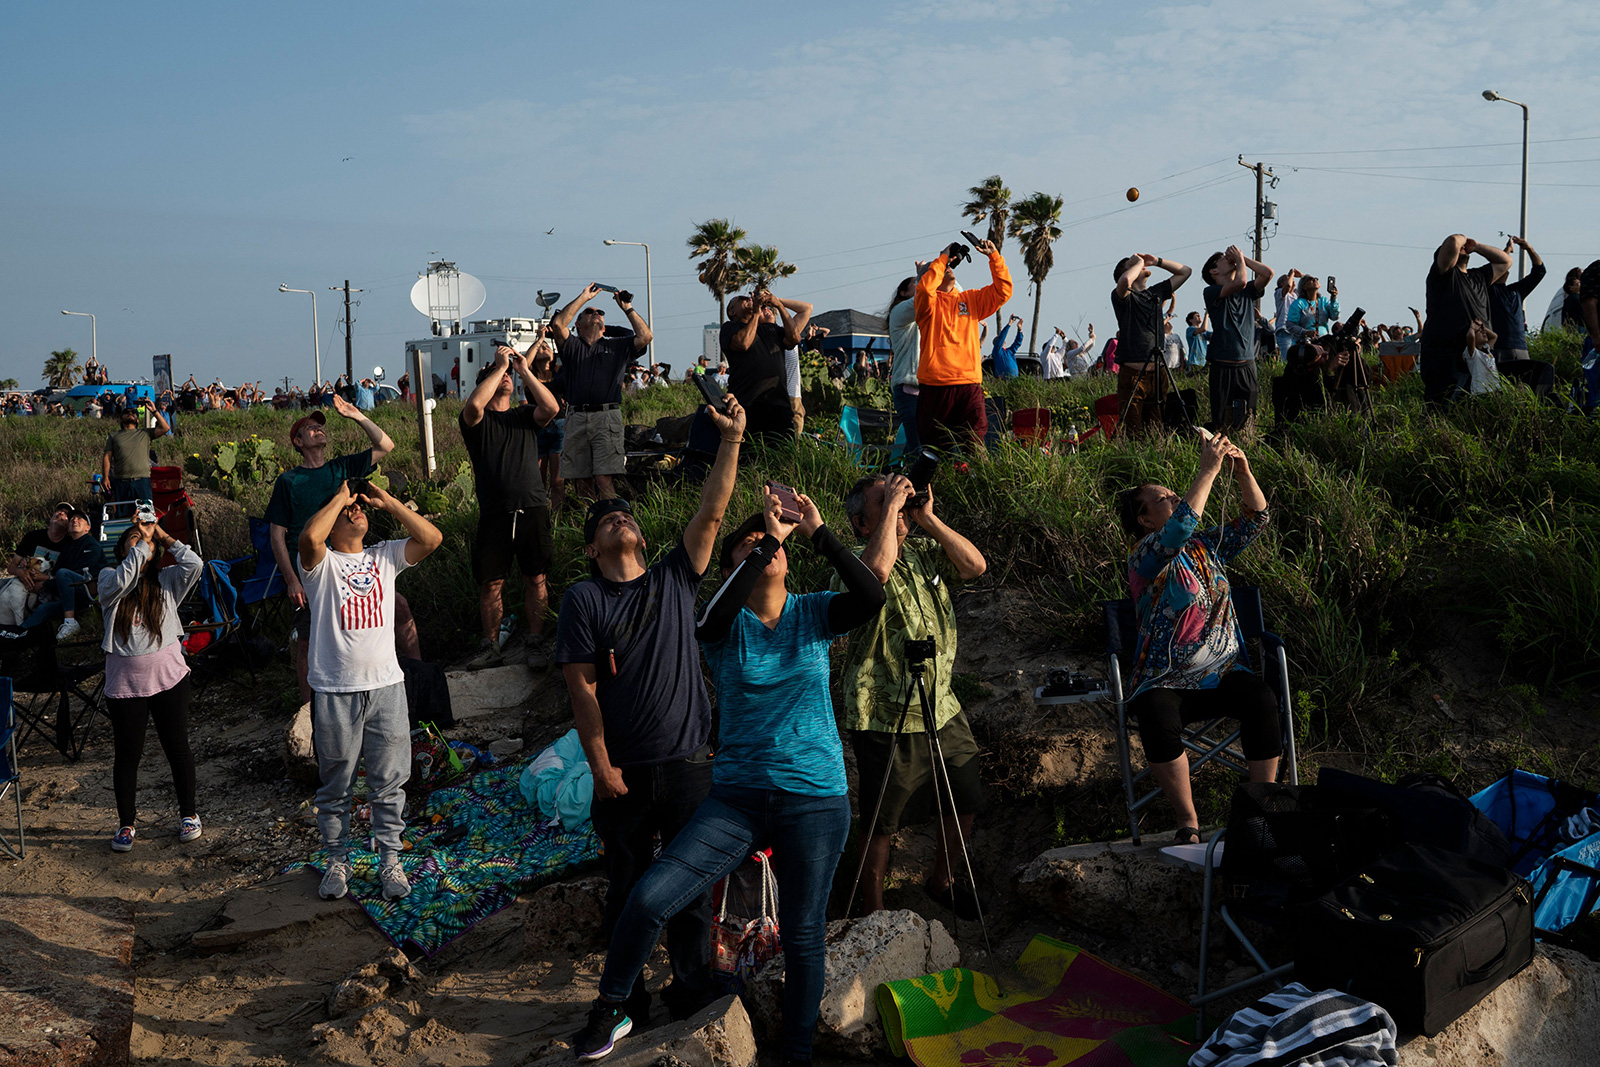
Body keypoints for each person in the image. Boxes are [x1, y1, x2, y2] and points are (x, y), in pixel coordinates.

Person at [575, 485, 885, 1064]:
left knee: (802, 937)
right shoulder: (720, 628)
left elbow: (870, 597)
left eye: (773, 543)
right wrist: (767, 537)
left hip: (815, 798)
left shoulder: (814, 612)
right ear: (734, 567)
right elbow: (716, 615)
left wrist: (817, 531)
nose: (768, 549)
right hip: (737, 800)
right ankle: (611, 1008)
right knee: (649, 898)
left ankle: (795, 1054)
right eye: (750, 546)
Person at [555, 395, 747, 1030]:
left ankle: (691, 987)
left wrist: (731, 440)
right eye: (604, 520)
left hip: (689, 761)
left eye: (624, 514)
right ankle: (628, 998)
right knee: (630, 887)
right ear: (590, 549)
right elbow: (582, 690)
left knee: (690, 886)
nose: (617, 519)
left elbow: (714, 510)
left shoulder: (674, 576)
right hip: (627, 770)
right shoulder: (584, 599)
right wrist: (601, 767)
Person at [836, 471, 987, 921]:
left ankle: (943, 879)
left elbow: (975, 567)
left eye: (899, 495)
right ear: (863, 524)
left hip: (941, 704)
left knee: (965, 796)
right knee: (882, 817)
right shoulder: (851, 563)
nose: (899, 502)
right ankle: (873, 910)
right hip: (883, 711)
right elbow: (875, 574)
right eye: (885, 501)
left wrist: (928, 519)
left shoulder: (922, 554)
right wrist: (891, 513)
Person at [1116, 433, 1280, 842]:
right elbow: (1180, 526)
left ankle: (1261, 810)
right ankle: (1187, 822)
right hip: (1167, 679)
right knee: (1154, 713)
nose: (1175, 498)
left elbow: (1257, 517)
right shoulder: (1145, 556)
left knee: (1261, 697)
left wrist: (1242, 470)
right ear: (1145, 519)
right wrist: (1208, 469)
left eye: (1174, 493)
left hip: (1223, 673)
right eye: (1164, 497)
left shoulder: (1208, 547)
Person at [299, 480, 444, 902]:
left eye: (361, 508)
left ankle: (390, 861)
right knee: (336, 783)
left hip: (387, 686)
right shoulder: (319, 563)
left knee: (389, 782)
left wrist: (391, 502)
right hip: (335, 689)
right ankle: (337, 860)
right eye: (348, 510)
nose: (356, 511)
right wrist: (340, 496)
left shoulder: (384, 556)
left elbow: (431, 538)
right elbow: (310, 536)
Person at [265, 396, 401, 705]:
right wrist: (291, 580)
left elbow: (386, 445)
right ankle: (309, 710)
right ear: (297, 442)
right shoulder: (289, 481)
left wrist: (356, 415)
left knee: (399, 610)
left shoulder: (341, 467)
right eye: (309, 428)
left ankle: (410, 680)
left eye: (319, 426)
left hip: (349, 564)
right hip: (311, 567)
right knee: (308, 639)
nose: (317, 430)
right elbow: (276, 535)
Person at [96, 520, 204, 852]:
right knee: (128, 756)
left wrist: (162, 536)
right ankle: (126, 824)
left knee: (177, 747)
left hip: (169, 677)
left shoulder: (167, 581)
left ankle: (189, 815)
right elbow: (124, 577)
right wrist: (143, 543)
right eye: (133, 540)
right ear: (122, 551)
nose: (142, 543)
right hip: (126, 684)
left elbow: (195, 564)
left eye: (146, 541)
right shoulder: (108, 580)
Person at [459, 342, 562, 670]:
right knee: (491, 582)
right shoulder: (475, 422)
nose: (504, 379)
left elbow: (552, 408)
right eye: (496, 376)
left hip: (531, 506)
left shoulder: (522, 417)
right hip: (495, 513)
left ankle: (534, 641)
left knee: (537, 578)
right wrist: (500, 367)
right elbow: (475, 404)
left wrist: (523, 370)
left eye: (505, 376)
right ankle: (490, 645)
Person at [550, 284, 650, 500]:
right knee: (582, 480)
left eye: (600, 313)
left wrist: (627, 307)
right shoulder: (572, 346)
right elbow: (558, 325)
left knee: (604, 478)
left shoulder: (617, 346)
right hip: (576, 417)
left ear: (605, 326)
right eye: (590, 312)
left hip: (606, 417)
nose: (596, 314)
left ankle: (612, 522)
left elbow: (645, 336)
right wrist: (584, 298)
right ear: (577, 324)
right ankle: (589, 526)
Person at [915, 240, 1013, 450]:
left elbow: (1003, 292)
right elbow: (924, 290)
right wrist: (941, 257)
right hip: (935, 387)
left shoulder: (970, 300)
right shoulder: (926, 305)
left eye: (948, 266)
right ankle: (930, 484)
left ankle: (977, 482)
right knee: (932, 450)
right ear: (930, 276)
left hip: (968, 385)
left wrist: (994, 257)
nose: (948, 269)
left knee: (975, 446)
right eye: (943, 269)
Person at [1419, 235, 1513, 406]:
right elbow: (1453, 241)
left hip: (1478, 357)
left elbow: (1505, 261)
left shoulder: (1479, 276)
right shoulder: (1443, 275)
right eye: (1459, 249)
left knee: (1475, 410)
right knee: (1442, 408)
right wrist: (1463, 239)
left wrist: (1476, 246)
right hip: (1446, 356)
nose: (1462, 247)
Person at [1112, 253, 1191, 436]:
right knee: (1133, 431)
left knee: (1156, 430)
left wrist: (1157, 261)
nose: (1142, 267)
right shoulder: (1123, 297)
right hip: (1132, 374)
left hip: (1158, 373)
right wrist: (1138, 263)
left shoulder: (1155, 293)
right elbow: (1124, 281)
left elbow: (1185, 272)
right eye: (1134, 266)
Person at [722, 290, 813, 444]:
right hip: (746, 403)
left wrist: (778, 304)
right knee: (748, 454)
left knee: (782, 454)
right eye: (743, 299)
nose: (749, 298)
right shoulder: (730, 327)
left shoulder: (771, 329)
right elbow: (743, 343)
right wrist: (756, 312)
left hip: (778, 403)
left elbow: (794, 338)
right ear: (732, 311)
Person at [1201, 245, 1274, 432]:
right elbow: (1240, 282)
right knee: (1221, 421)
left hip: (1247, 364)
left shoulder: (1247, 291)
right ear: (1214, 270)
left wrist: (1243, 259)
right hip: (1223, 365)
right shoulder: (1211, 292)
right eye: (1223, 259)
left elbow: (1267, 273)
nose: (1229, 259)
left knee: (1248, 419)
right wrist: (1240, 261)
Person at [20, 505, 105, 639]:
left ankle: (70, 622)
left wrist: (45, 584)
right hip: (67, 597)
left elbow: (77, 577)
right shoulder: (68, 547)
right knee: (44, 609)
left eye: (79, 519)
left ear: (87, 528)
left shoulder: (92, 546)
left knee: (64, 574)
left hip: (87, 594)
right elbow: (55, 572)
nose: (74, 521)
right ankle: (17, 635)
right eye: (71, 519)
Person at [1488, 237, 1547, 362]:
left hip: (1520, 347)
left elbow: (1539, 271)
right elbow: (1496, 264)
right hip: (1498, 347)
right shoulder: (1488, 290)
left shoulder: (1516, 290)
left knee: (1522, 381)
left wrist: (1529, 248)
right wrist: (1508, 250)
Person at [102, 406, 171, 504]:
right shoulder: (114, 436)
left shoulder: (145, 433)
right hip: (121, 481)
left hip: (142, 481)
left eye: (134, 413)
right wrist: (105, 477)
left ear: (137, 420)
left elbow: (166, 428)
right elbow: (107, 457)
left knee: (145, 515)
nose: (130, 413)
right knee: (123, 516)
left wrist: (154, 410)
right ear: (121, 419)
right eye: (127, 412)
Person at [885, 275, 923, 453]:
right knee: (918, 448)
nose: (922, 282)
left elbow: (954, 292)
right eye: (916, 282)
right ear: (903, 292)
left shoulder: (924, 312)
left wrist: (945, 271)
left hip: (925, 389)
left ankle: (905, 477)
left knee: (918, 447)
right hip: (909, 389)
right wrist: (926, 275)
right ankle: (911, 480)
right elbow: (922, 299)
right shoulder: (900, 311)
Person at [1284, 275, 1339, 344]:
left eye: (1316, 279)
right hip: (1304, 343)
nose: (1315, 280)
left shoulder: (1323, 301)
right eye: (1311, 279)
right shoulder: (1299, 303)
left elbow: (1335, 316)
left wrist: (1333, 299)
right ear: (1304, 287)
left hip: (1324, 342)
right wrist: (1305, 332)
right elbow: (1290, 325)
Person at [1541, 267, 1583, 332]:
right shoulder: (1571, 298)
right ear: (1571, 288)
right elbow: (1565, 314)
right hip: (1578, 327)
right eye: (1577, 283)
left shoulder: (1562, 297)